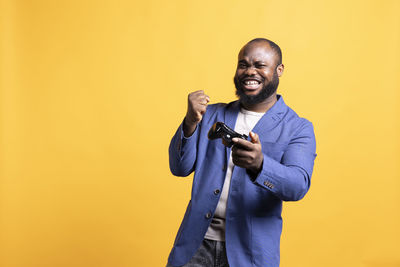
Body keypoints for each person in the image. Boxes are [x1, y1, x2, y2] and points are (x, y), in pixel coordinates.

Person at [166, 38, 317, 267]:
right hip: (195, 246)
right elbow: (179, 168)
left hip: (250, 254)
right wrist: (189, 122)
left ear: (279, 70)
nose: (250, 71)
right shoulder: (210, 114)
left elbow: (297, 186)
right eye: (243, 64)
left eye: (259, 65)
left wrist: (260, 165)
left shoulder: (298, 127)